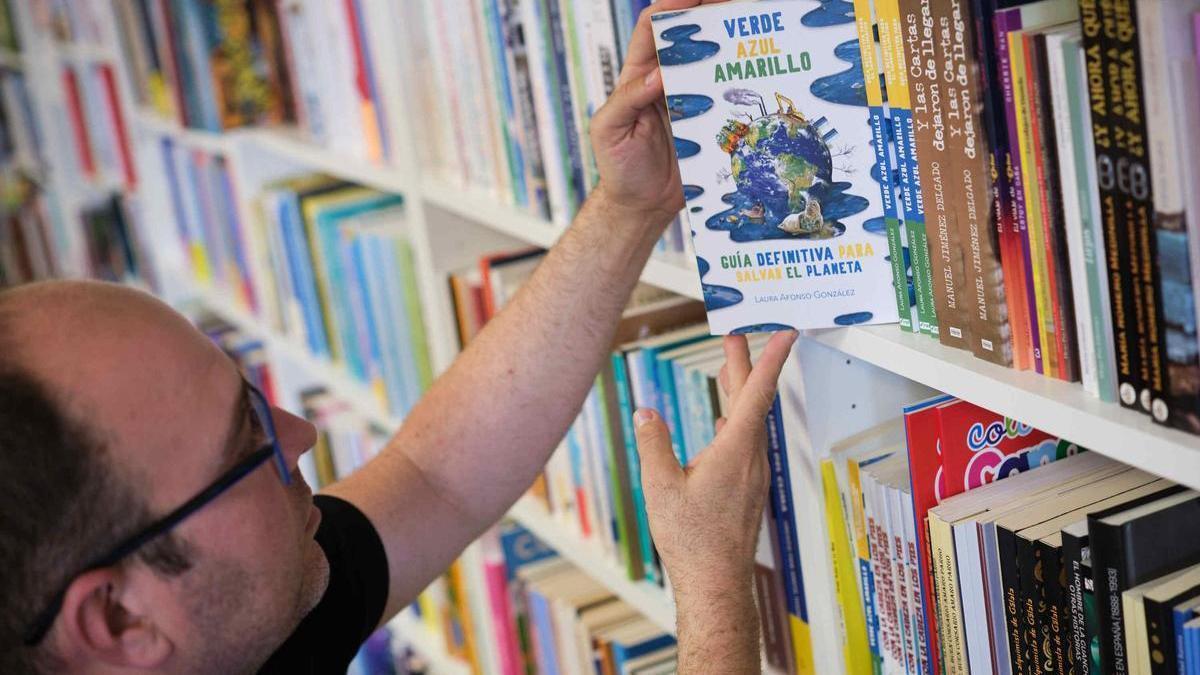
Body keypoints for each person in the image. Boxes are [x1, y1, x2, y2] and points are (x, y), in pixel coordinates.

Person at [0, 0, 794, 672]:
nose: (304, 432)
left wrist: (631, 209)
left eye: (253, 398)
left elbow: (432, 475)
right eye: (248, 443)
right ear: (120, 620)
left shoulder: (233, 622)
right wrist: (715, 581)